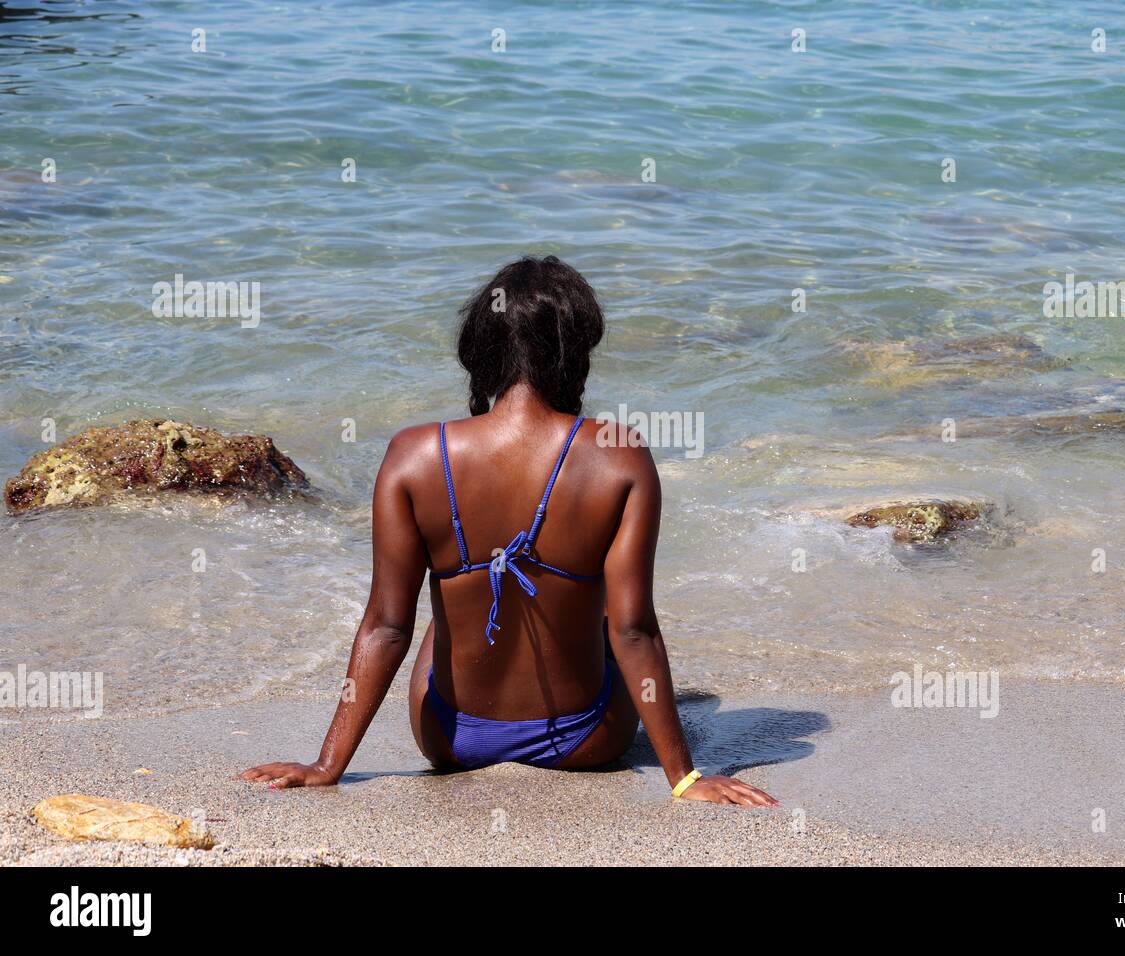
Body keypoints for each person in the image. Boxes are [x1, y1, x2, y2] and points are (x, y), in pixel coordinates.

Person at [240, 256, 777, 807]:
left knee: (440, 612)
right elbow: (634, 631)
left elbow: (385, 627)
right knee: (608, 607)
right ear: (577, 353)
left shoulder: (413, 455)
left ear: (479, 350)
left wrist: (327, 765)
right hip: (587, 740)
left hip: (450, 738)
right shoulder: (621, 455)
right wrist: (685, 778)